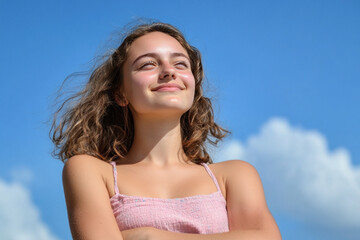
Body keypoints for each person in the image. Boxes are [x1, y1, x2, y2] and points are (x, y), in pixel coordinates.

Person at [51, 22, 281, 240]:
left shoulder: (236, 175)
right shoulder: (90, 171)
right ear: (120, 93)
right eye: (148, 64)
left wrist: (155, 236)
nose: (169, 72)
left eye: (180, 64)